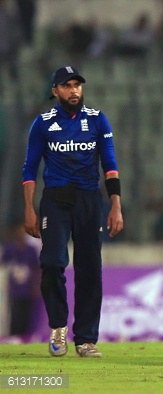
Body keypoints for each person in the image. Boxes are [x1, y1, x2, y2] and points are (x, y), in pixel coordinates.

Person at [22, 65, 124, 358]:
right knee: (53, 262)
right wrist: (29, 209)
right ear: (55, 91)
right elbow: (29, 169)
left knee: (90, 267)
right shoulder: (42, 124)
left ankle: (86, 339)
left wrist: (115, 205)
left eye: (77, 85)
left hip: (89, 200)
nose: (74, 90)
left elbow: (110, 164)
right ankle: (57, 326)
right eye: (67, 86)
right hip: (55, 199)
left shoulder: (97, 120)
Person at [0, 219, 42, 336]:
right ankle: (13, 336)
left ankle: (26, 337)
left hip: (28, 289)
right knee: (15, 314)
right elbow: (3, 262)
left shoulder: (31, 249)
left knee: (27, 315)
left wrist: (37, 286)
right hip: (15, 289)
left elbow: (36, 269)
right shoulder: (10, 248)